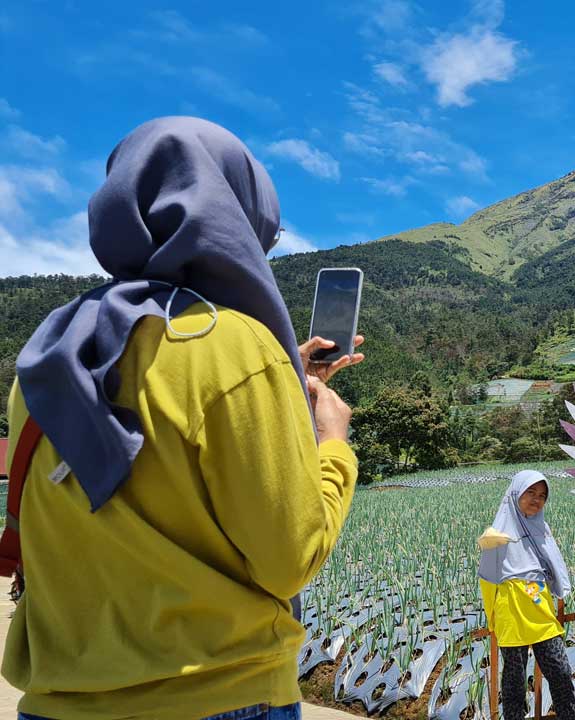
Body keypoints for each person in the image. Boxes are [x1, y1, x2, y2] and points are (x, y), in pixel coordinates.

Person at [3, 117, 362, 719]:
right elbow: (289, 561)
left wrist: (273, 385)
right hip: (219, 696)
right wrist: (333, 445)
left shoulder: (48, 359)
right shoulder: (237, 346)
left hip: (56, 702)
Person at [479, 470, 575, 720]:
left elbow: (553, 567)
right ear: (515, 494)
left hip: (540, 610)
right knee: (514, 680)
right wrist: (492, 618)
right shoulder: (495, 536)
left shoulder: (542, 530)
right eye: (531, 492)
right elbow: (487, 580)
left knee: (560, 672)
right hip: (511, 612)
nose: (537, 499)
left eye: (542, 495)